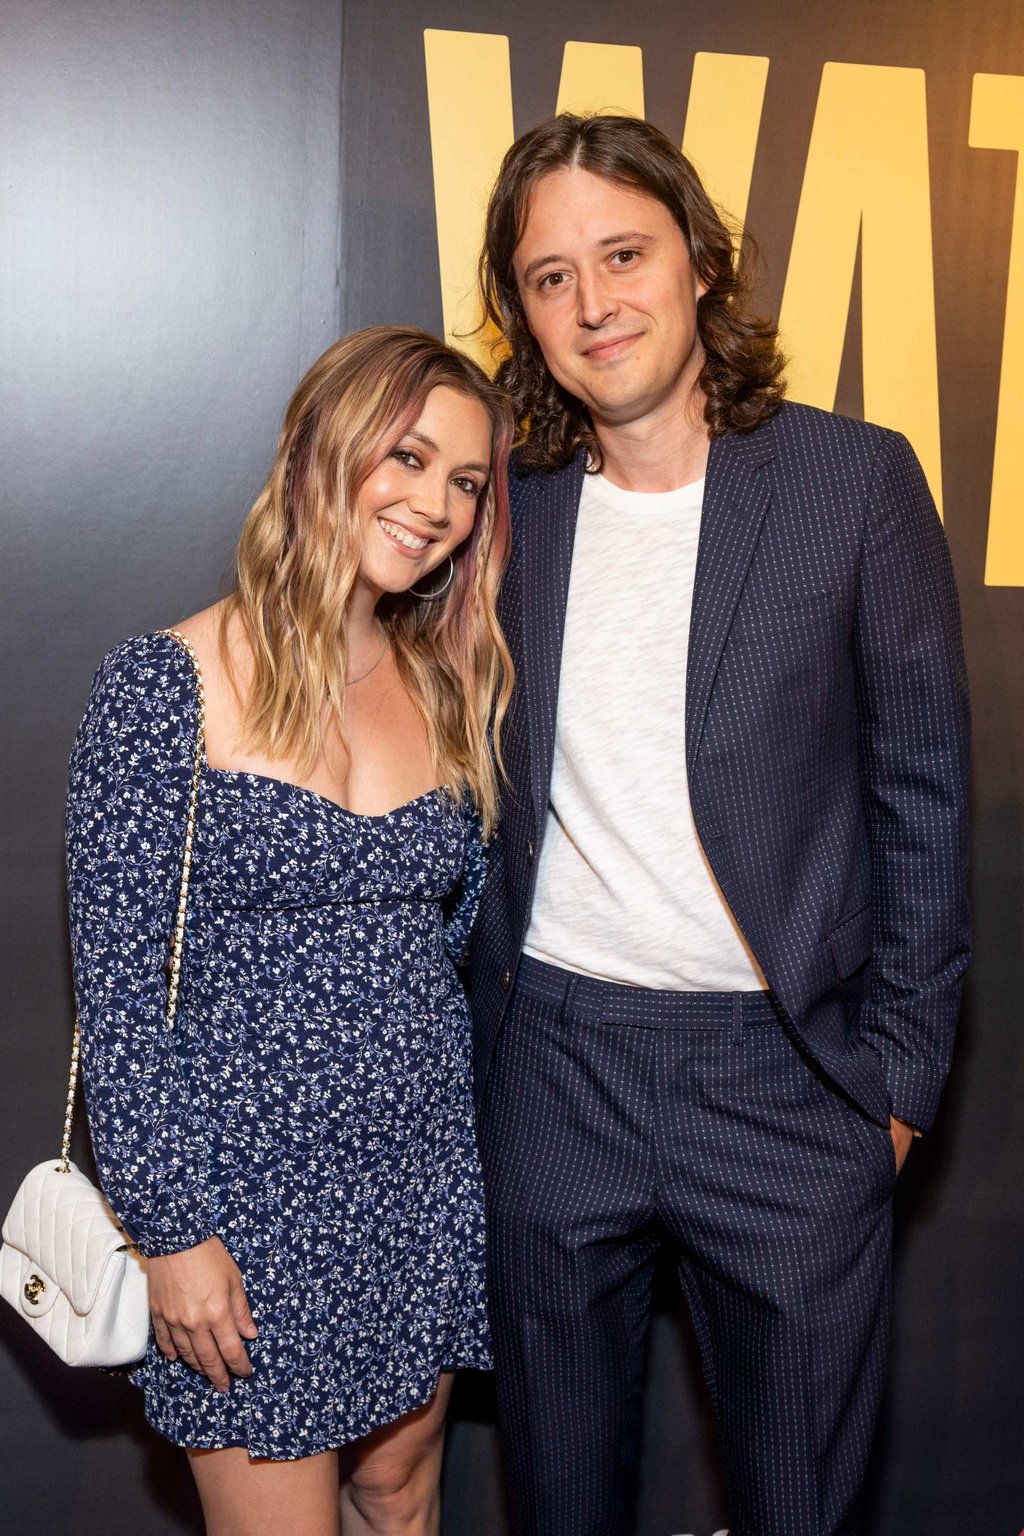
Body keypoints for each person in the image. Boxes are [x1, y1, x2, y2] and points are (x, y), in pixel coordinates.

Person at [469, 114, 970, 1536]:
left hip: (790, 1086)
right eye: (549, 278)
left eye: (622, 255)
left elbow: (924, 796)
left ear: (696, 262)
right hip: (556, 1070)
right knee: (558, 1504)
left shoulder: (853, 485)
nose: (593, 304)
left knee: (800, 1508)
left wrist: (897, 1091)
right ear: (523, 315)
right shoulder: (501, 503)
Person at [65, 326, 514, 1536]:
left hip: (416, 1185)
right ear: (319, 449)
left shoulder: (444, 684)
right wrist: (173, 1235)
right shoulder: (166, 684)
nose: (435, 505)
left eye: (465, 483)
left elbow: (447, 944)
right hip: (242, 1215)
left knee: (402, 1493)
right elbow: (118, 1002)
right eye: (407, 457)